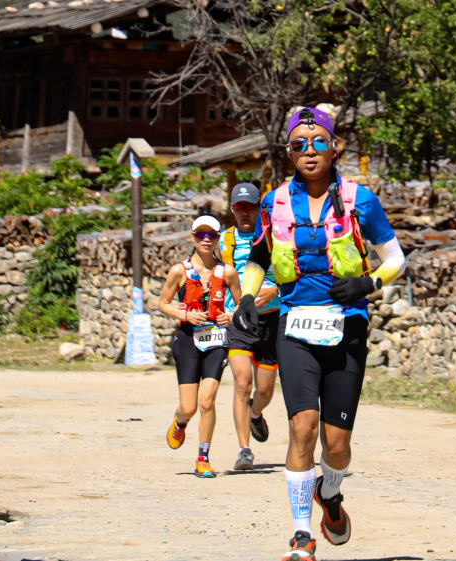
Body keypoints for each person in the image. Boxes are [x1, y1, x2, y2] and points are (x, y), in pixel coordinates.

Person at [232, 107, 406, 561]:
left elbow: (396, 258)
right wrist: (248, 297)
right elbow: (258, 259)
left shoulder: (359, 200)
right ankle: (301, 534)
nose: (309, 152)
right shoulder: (274, 202)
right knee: (301, 428)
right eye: (298, 146)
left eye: (317, 143)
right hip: (295, 325)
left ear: (334, 147)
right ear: (288, 152)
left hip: (346, 325)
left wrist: (369, 283)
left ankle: (330, 494)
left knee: (337, 444)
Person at [157, 212, 232, 478]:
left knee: (207, 400)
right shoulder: (179, 271)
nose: (206, 239)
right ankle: (180, 422)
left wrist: (230, 316)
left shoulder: (227, 272)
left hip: (216, 341)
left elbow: (243, 305)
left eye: (211, 234)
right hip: (188, 339)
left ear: (217, 239)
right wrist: (185, 315)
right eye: (201, 234)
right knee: (189, 407)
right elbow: (163, 302)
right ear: (193, 237)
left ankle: (203, 457)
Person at [220, 182, 281, 471]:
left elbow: (294, 272)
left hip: (271, 319)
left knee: (265, 390)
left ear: (260, 209)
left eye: (251, 207)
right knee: (242, 383)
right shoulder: (224, 241)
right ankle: (245, 450)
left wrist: (276, 291)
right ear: (232, 210)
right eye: (240, 207)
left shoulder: (274, 237)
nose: (245, 213)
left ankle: (256, 414)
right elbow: (210, 275)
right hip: (238, 322)